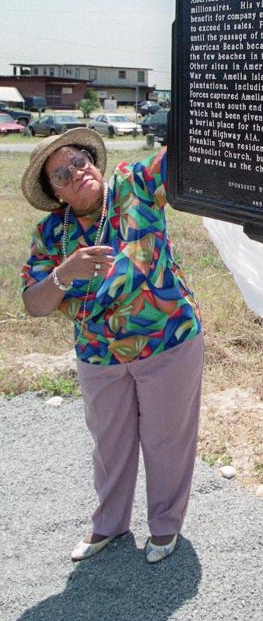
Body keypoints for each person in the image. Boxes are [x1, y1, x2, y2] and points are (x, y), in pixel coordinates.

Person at [20, 128, 204, 564]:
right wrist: (66, 273)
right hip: (98, 354)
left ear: (94, 162)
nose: (76, 173)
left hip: (167, 340)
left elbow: (183, 149)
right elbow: (34, 304)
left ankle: (164, 526)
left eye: (79, 161)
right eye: (61, 174)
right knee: (110, 443)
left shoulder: (134, 186)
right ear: (57, 194)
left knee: (166, 440)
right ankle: (109, 524)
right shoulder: (52, 234)